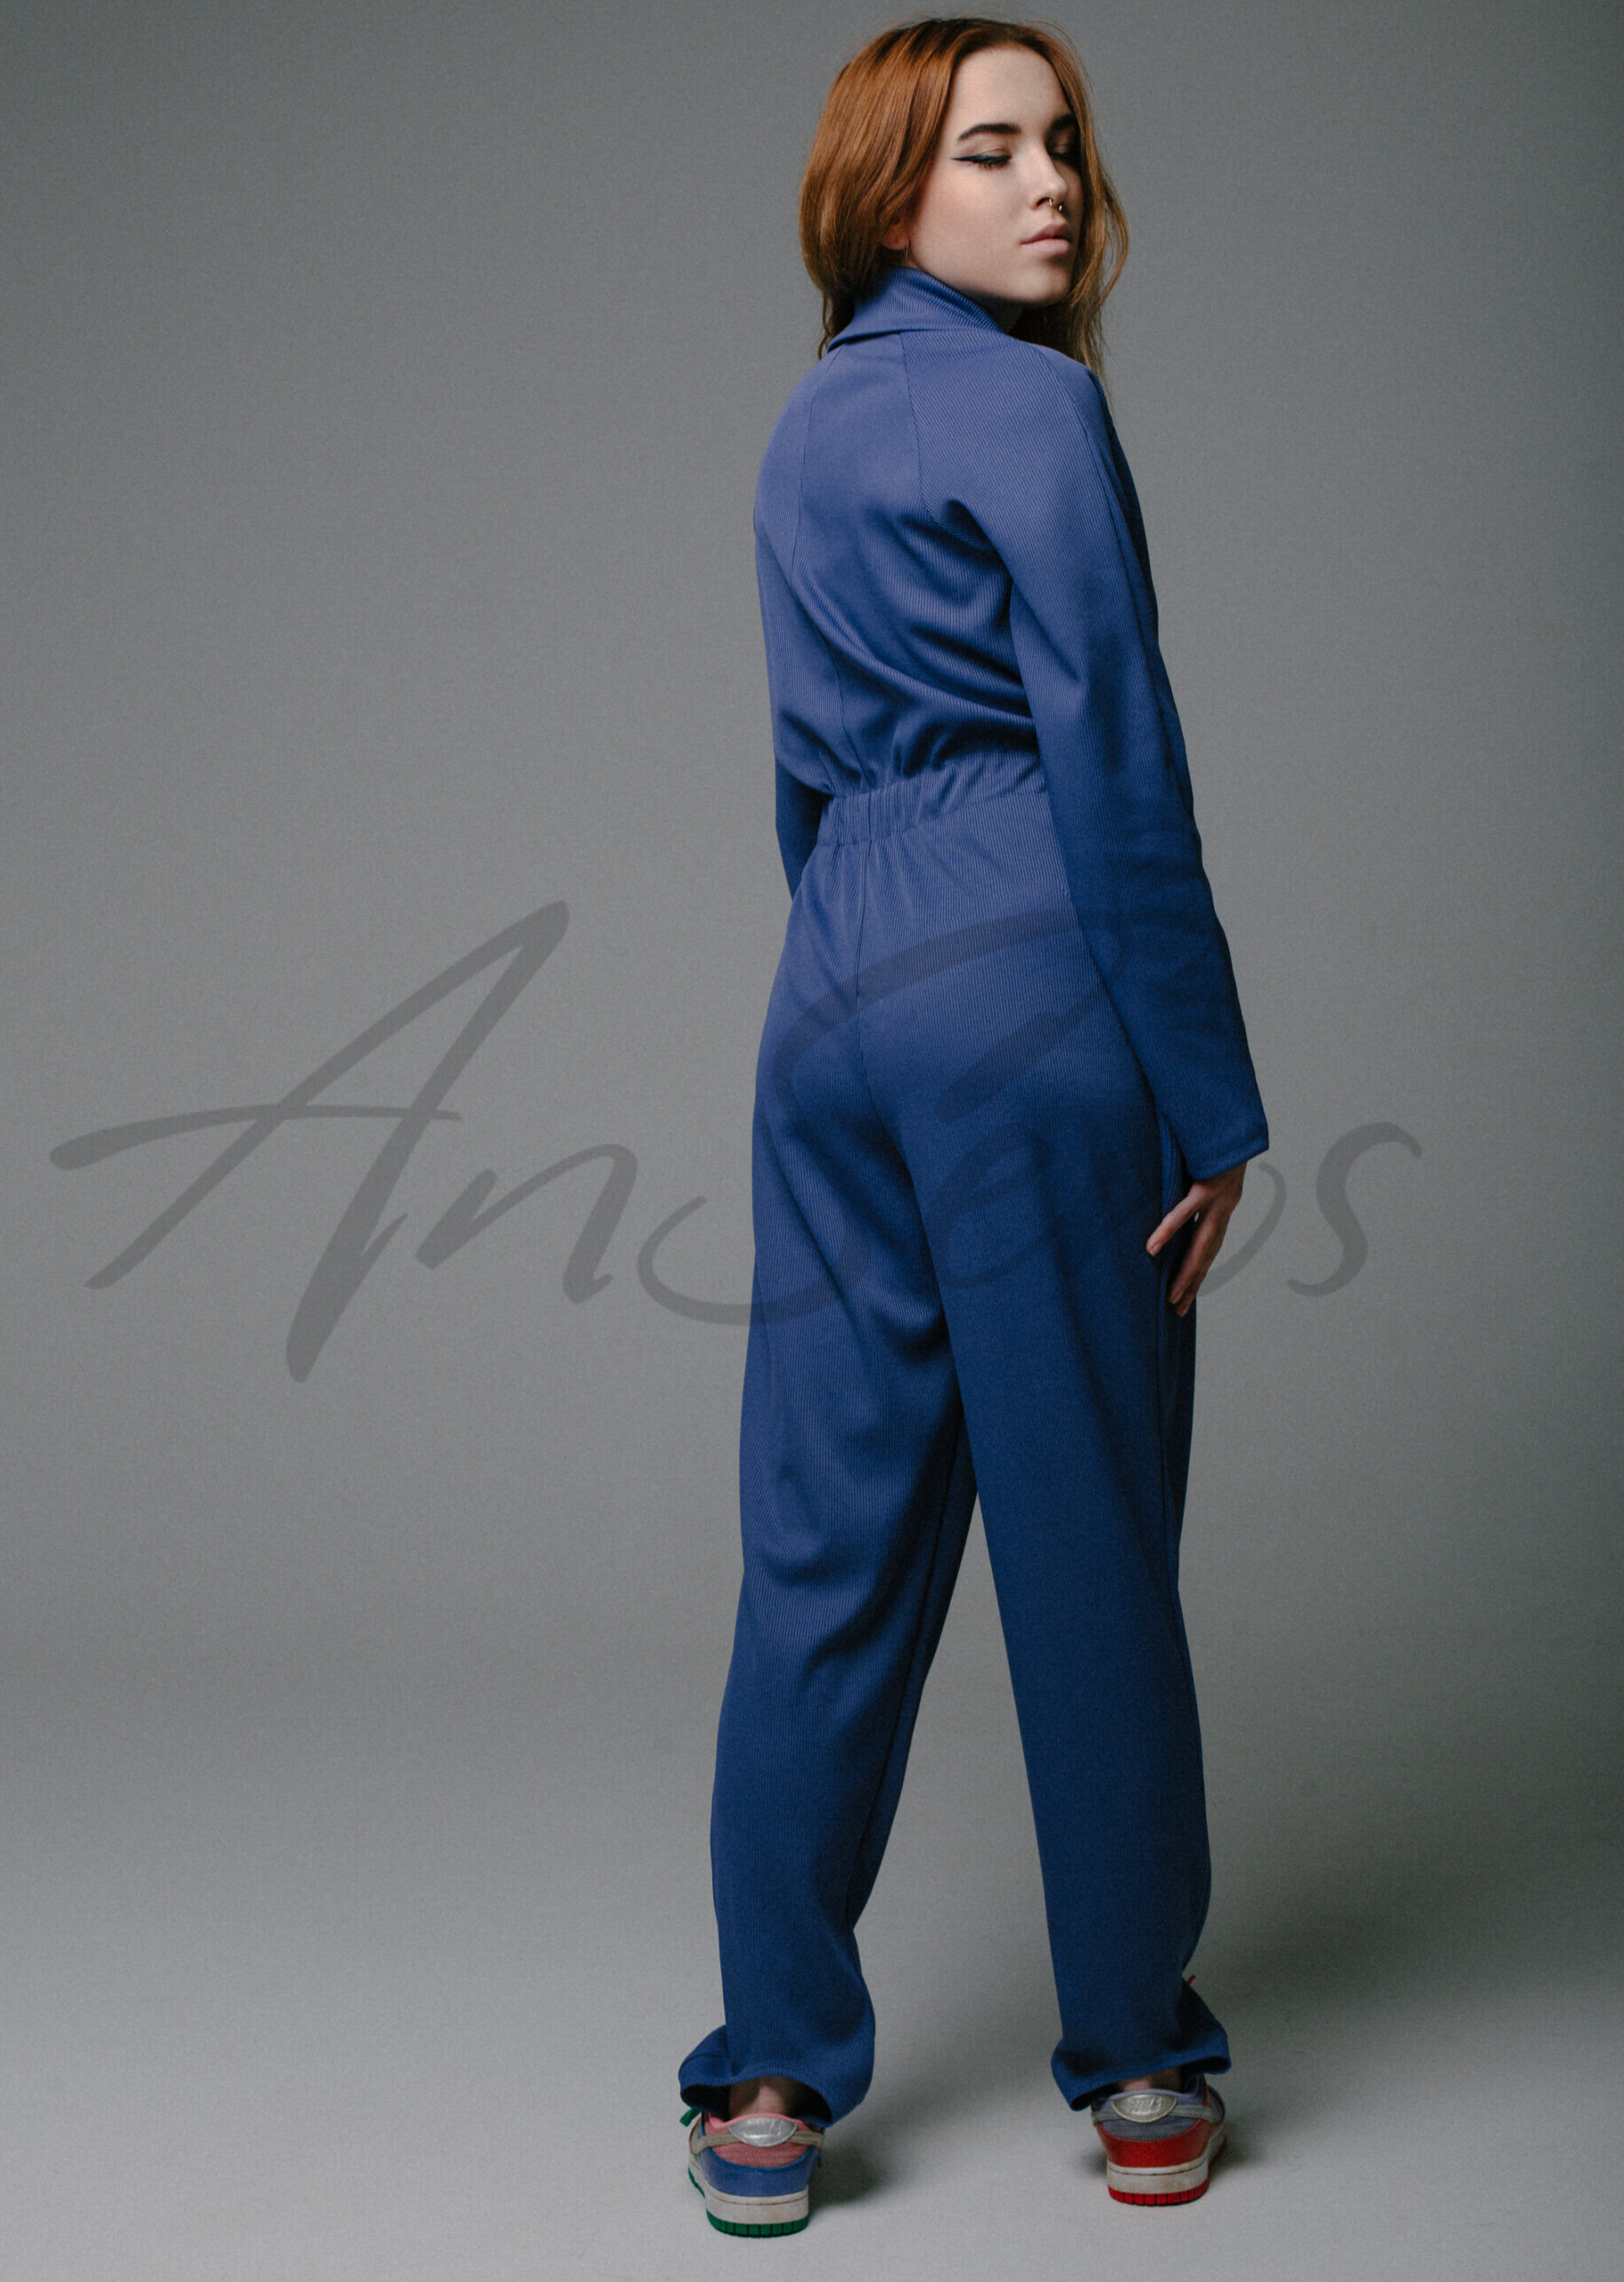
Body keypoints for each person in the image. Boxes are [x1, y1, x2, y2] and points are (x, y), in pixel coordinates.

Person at [678, 17, 1266, 2234]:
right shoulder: (1040, 405)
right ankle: (1138, 2062)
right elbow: (1118, 752)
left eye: (1061, 144)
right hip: (1035, 955)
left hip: (835, 981)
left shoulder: (801, 425)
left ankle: (764, 2084)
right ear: (885, 188)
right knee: (1085, 1528)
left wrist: (862, 962)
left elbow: (798, 765)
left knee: (822, 1548)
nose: (1049, 186)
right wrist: (1208, 1092)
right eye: (989, 149)